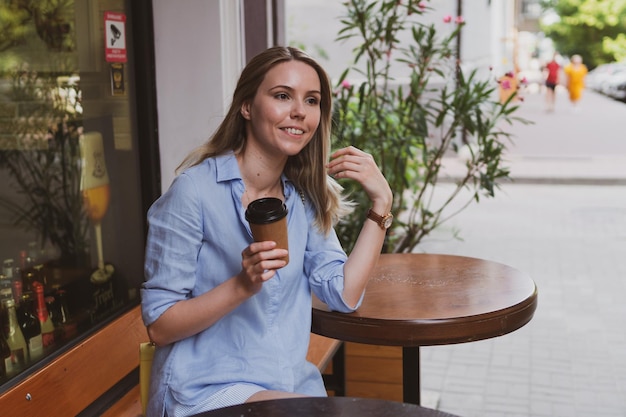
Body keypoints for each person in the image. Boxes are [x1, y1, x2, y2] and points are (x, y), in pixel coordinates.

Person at [140, 46, 393, 417]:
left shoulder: (303, 199)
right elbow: (160, 327)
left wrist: (381, 206)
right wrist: (243, 284)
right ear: (247, 106)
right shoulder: (194, 192)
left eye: (311, 100)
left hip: (285, 385)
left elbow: (344, 293)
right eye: (282, 96)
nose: (299, 112)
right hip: (206, 389)